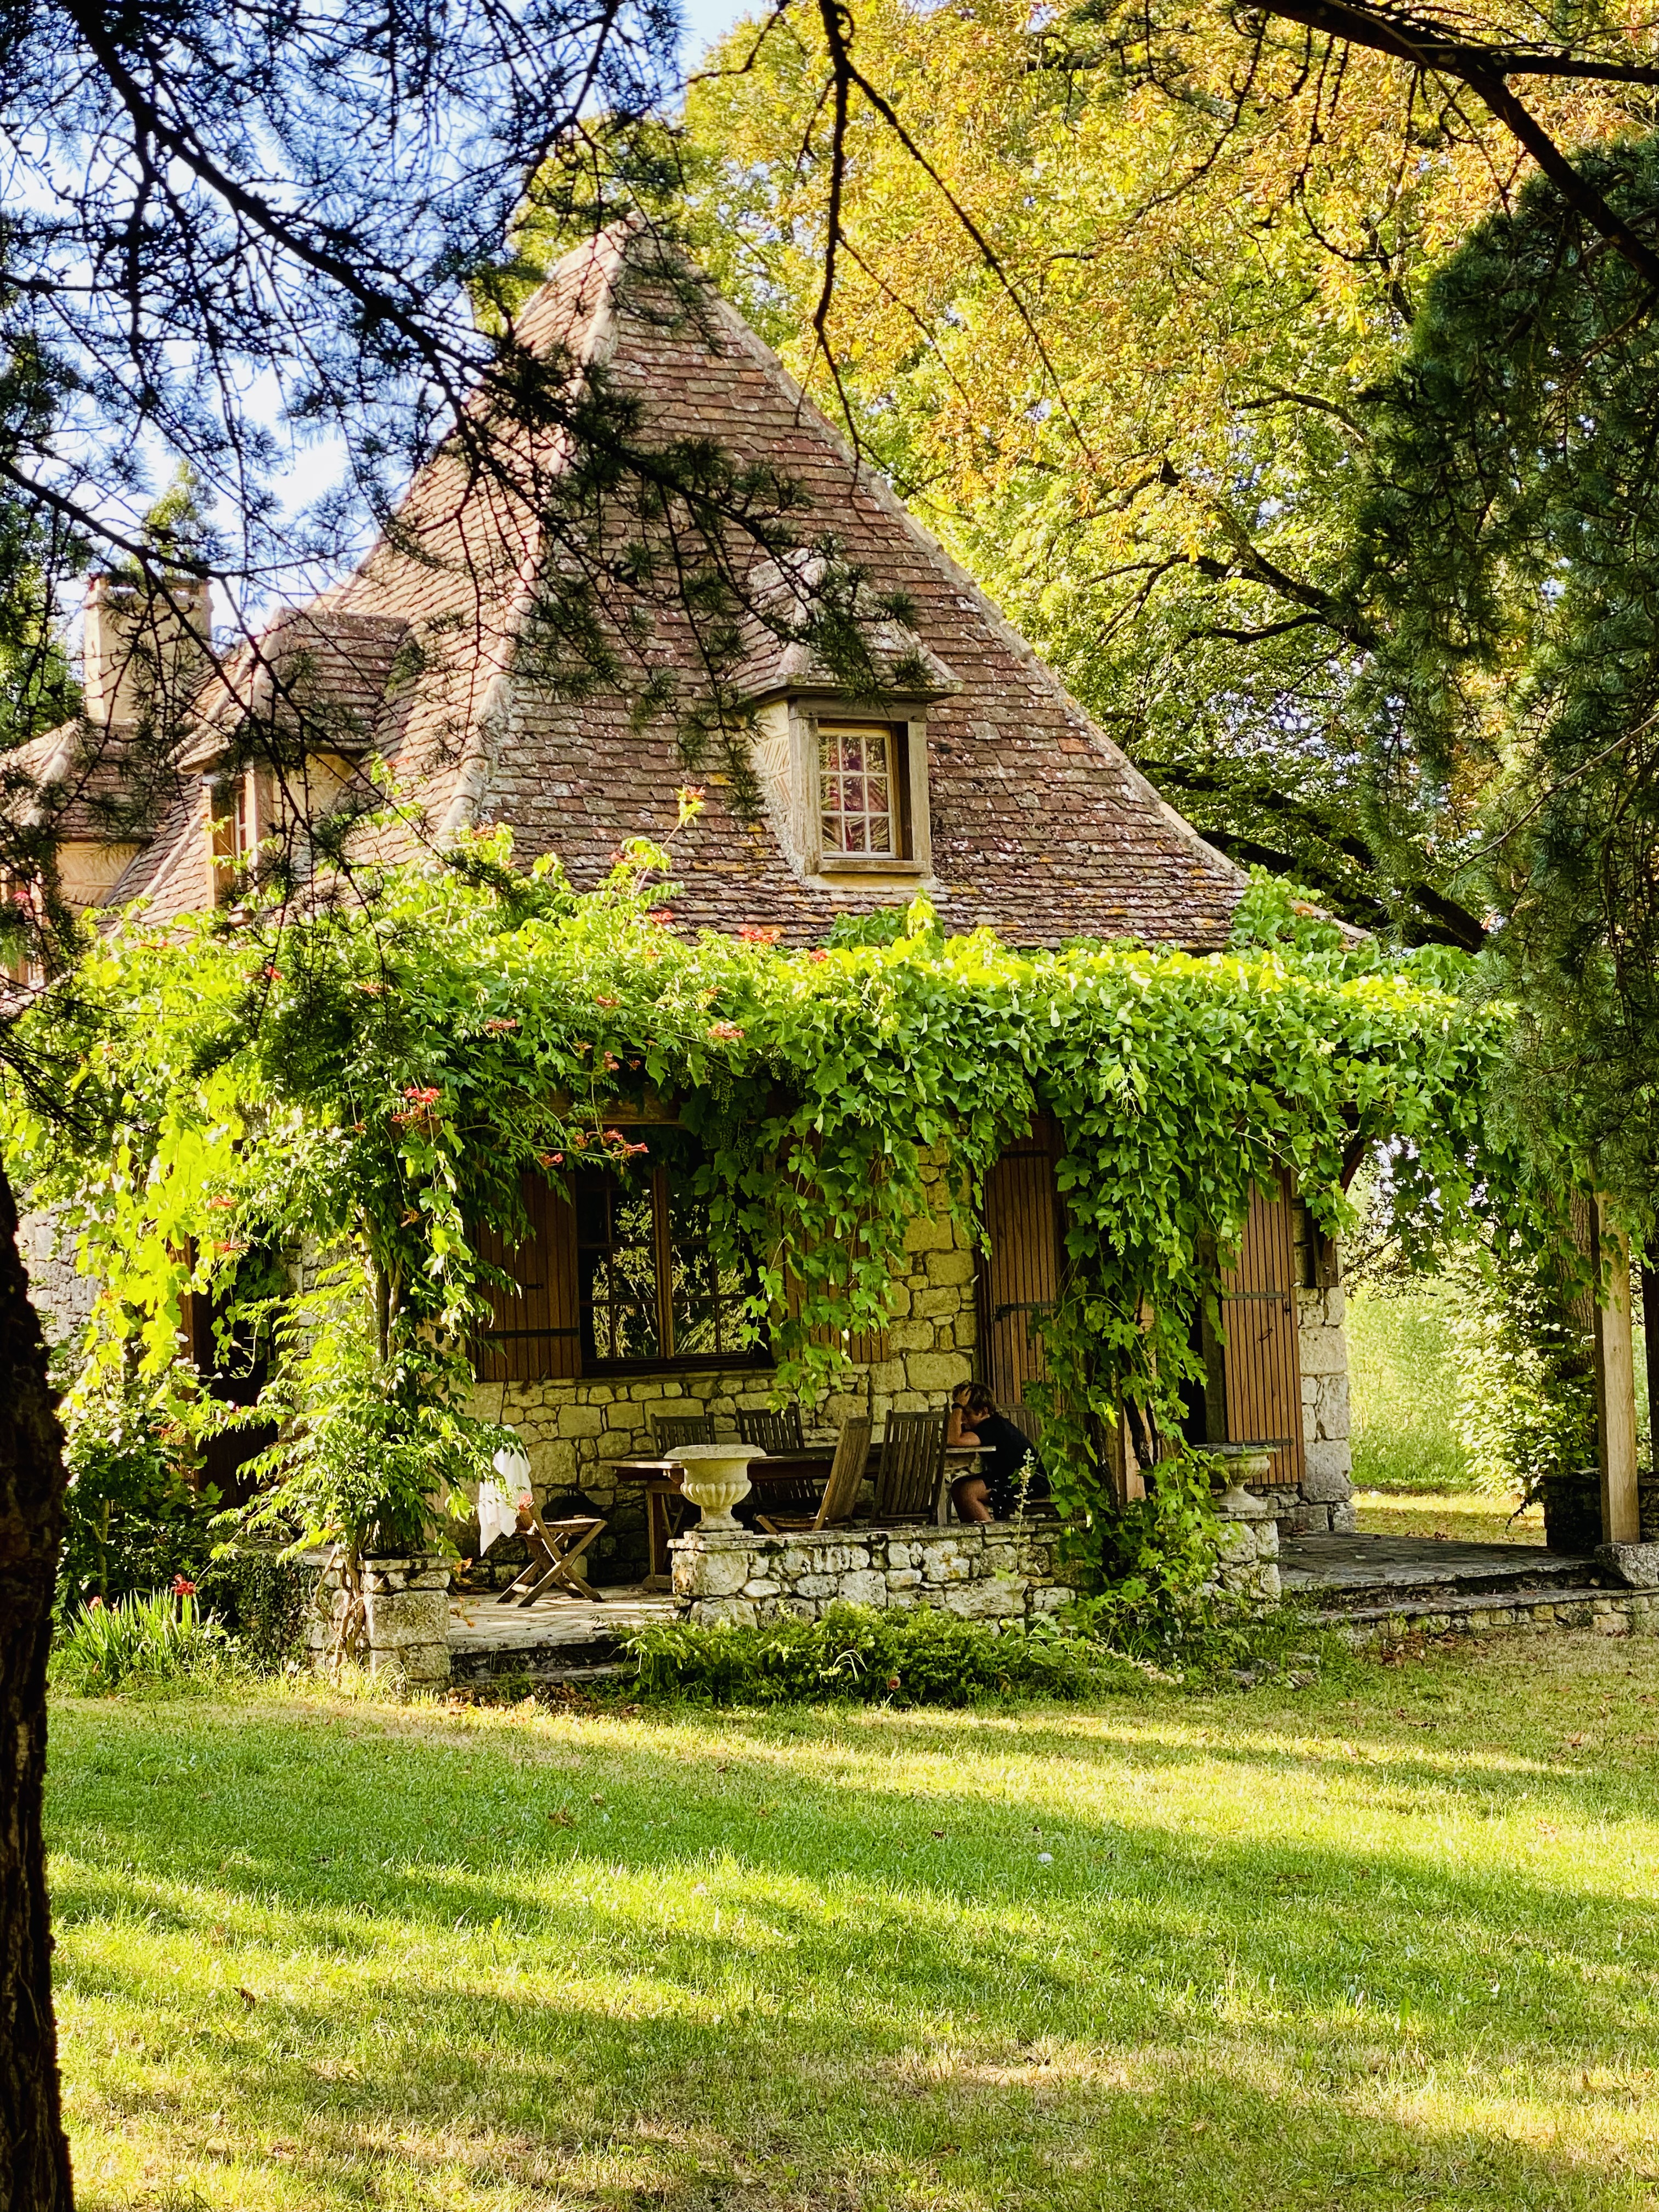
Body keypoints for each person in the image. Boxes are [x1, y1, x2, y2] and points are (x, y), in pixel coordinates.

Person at [946, 1382, 1048, 1522]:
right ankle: (973, 1534)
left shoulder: (991, 1426)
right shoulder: (985, 1425)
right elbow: (953, 1438)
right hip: (1006, 1476)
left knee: (968, 1492)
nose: (962, 1420)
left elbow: (954, 1440)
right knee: (958, 1486)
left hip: (1027, 1481)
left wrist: (957, 1407)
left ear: (983, 1412)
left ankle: (992, 1537)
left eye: (966, 1414)